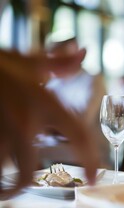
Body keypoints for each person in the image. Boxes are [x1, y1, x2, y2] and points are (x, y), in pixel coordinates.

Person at [0, 49, 99, 198]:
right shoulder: (54, 84)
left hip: (82, 161)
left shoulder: (92, 81)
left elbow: (83, 121)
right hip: (54, 160)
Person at [38, 37, 109, 166]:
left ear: (79, 56)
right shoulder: (53, 85)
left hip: (91, 157)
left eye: (58, 60)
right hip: (59, 155)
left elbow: (80, 123)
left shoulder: (92, 81)